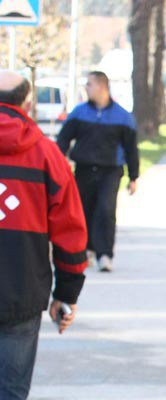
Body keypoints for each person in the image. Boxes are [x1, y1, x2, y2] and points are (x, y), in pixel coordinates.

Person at [0, 70, 88, 399]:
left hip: (21, 295)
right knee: (11, 391)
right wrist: (66, 293)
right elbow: (70, 229)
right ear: (27, 103)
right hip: (21, 293)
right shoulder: (47, 155)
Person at [57, 71, 139, 273]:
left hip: (110, 170)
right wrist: (59, 162)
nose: (86, 88)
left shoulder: (122, 116)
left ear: (102, 86)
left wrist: (133, 176)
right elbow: (64, 139)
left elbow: (131, 149)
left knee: (105, 210)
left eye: (89, 84)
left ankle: (105, 254)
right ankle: (87, 249)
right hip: (84, 169)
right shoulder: (79, 112)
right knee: (83, 210)